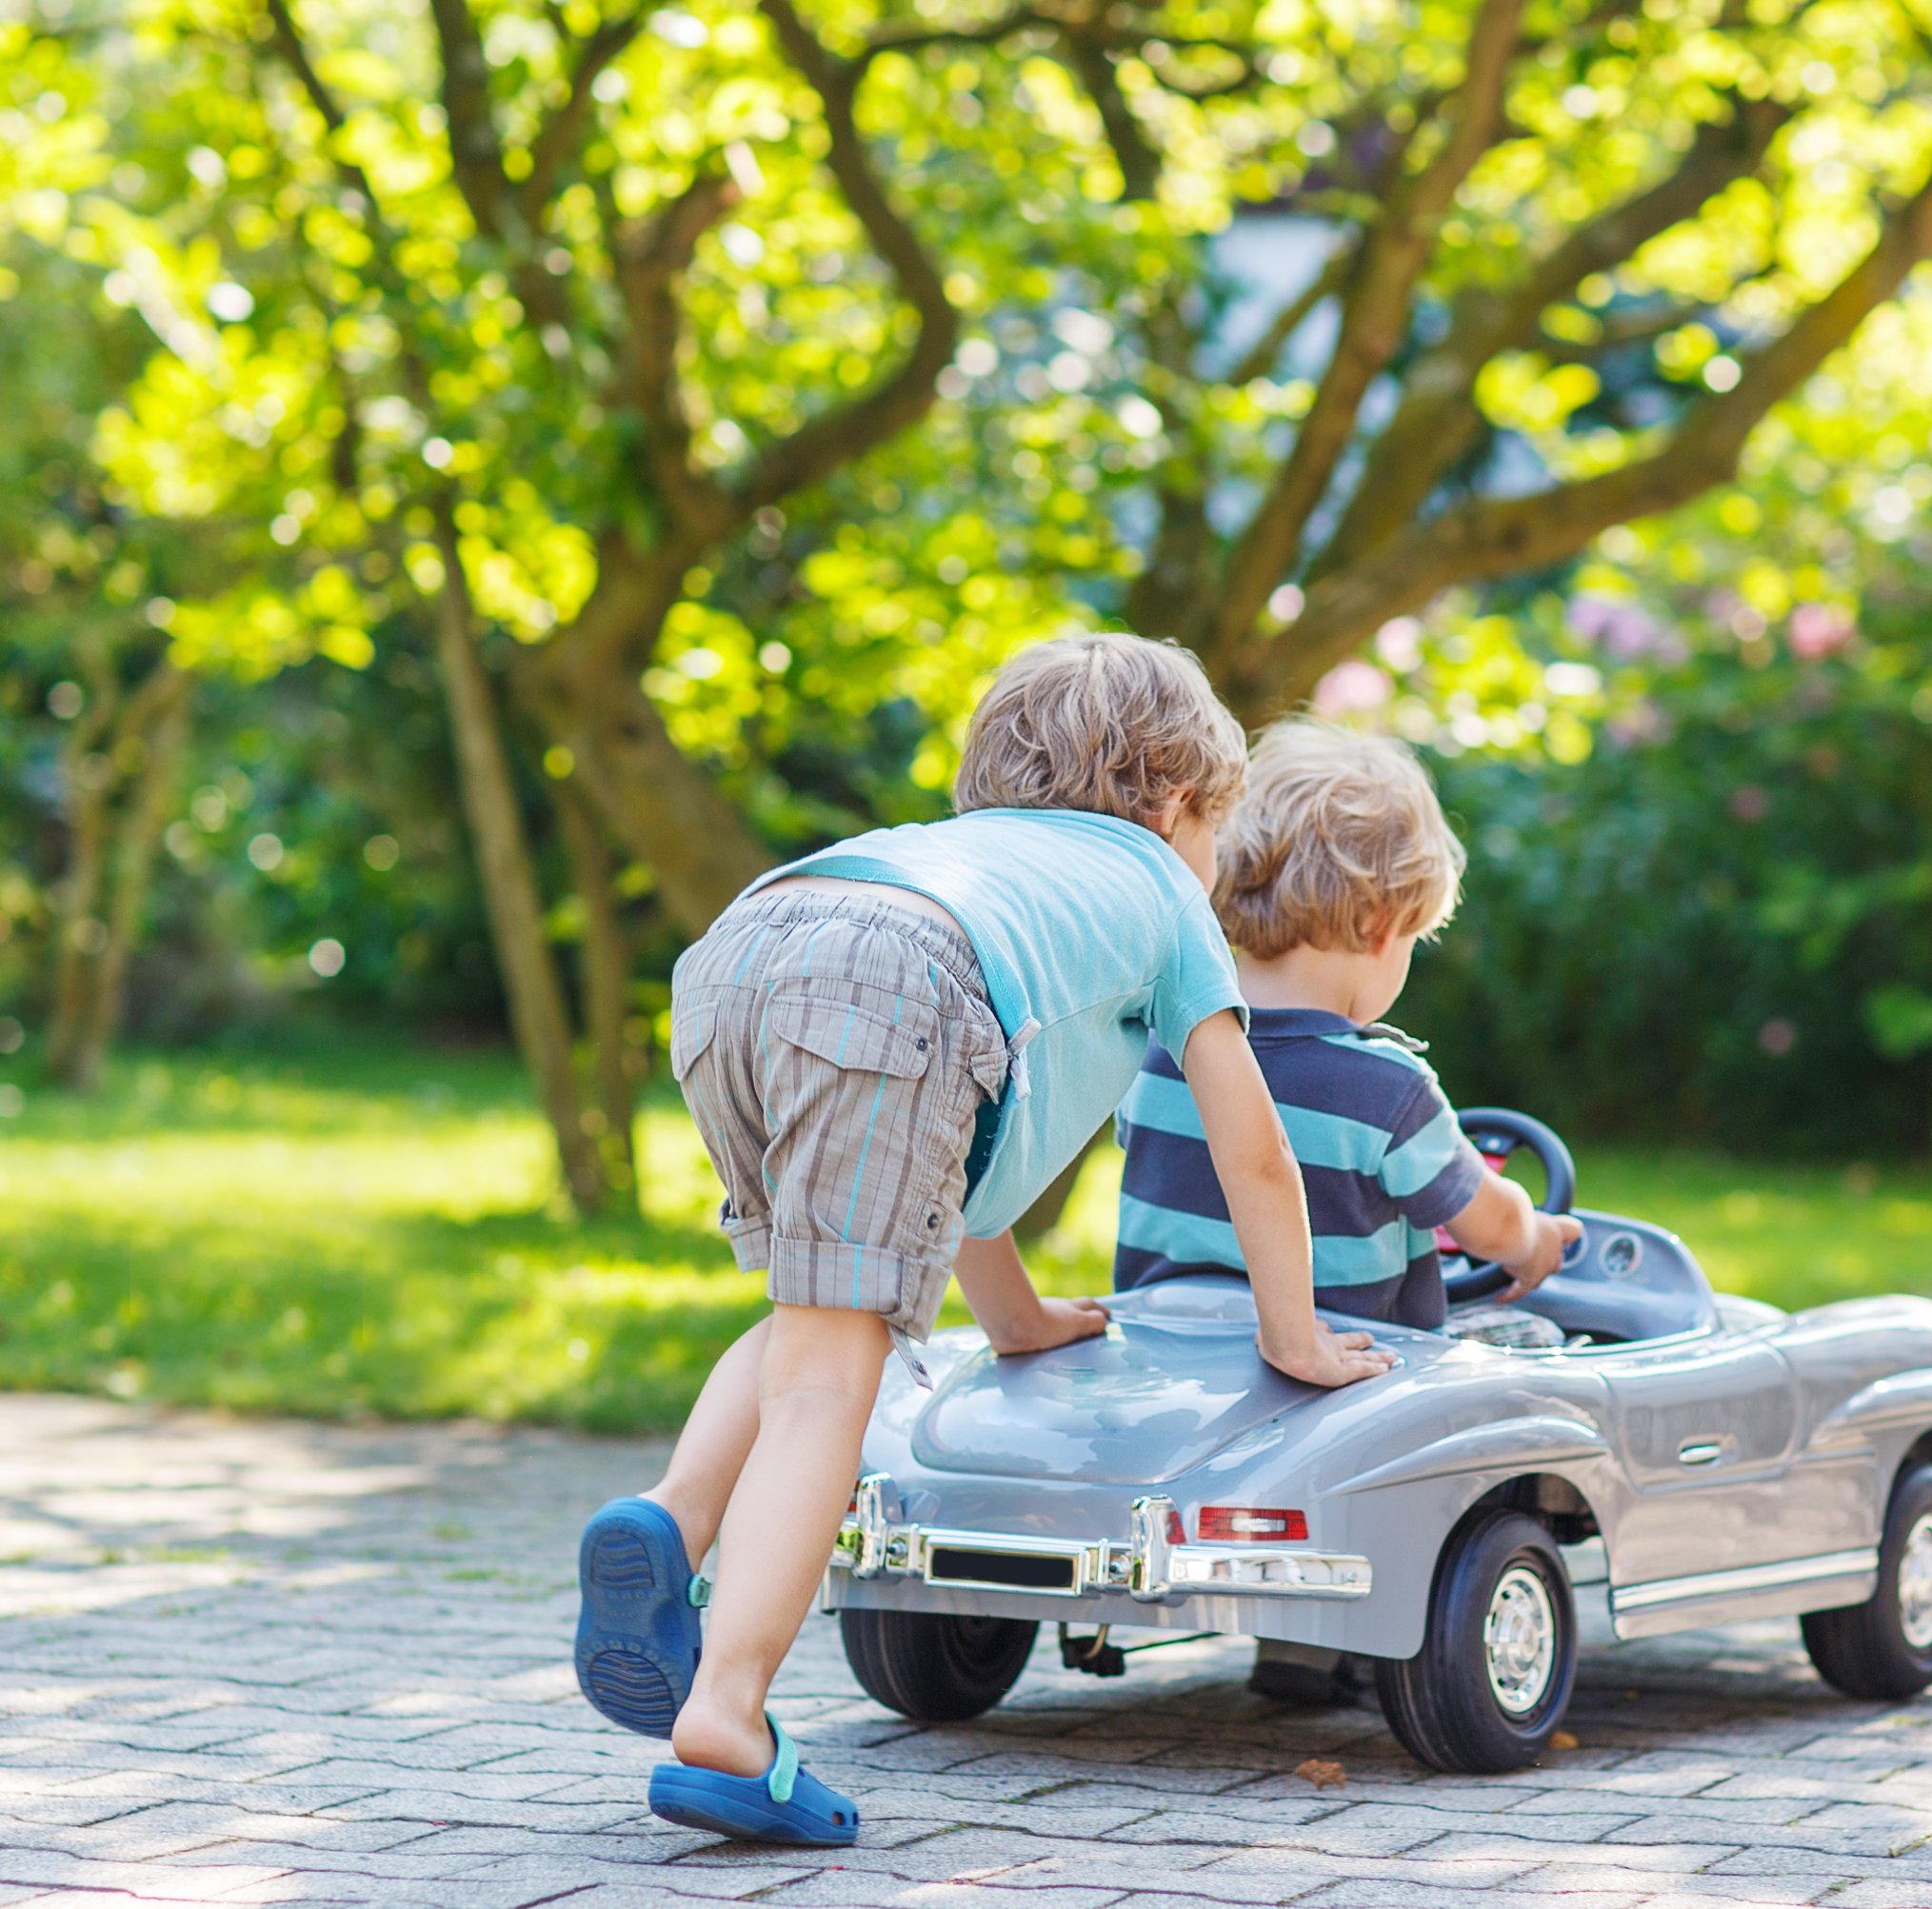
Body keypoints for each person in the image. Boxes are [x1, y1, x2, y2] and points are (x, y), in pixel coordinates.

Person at [572, 634, 1394, 1847]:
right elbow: (1254, 1145)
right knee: (828, 1378)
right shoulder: (1160, 887)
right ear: (1178, 806)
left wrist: (1017, 1324)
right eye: (1214, 829)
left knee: (819, 1305)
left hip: (743, 954)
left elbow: (945, 1179)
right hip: (894, 976)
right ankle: (729, 1714)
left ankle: (674, 1513)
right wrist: (1296, 1331)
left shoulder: (970, 860)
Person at [1112, 719, 1585, 1703]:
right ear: (1383, 930)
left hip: (1168, 1355)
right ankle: (1337, 1636)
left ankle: (1297, 1647)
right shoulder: (1387, 1088)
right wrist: (1536, 1238)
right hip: (1344, 1369)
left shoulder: (1168, 1050)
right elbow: (1485, 1223)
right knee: (1527, 1343)